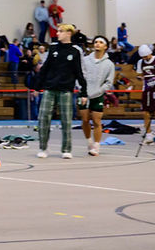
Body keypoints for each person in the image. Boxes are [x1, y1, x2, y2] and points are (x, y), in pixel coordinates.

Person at [31, 23, 88, 158]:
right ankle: (43, 148)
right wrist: (37, 87)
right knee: (43, 118)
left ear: (69, 33)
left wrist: (84, 92)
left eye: (60, 31)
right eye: (57, 31)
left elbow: (79, 72)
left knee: (66, 121)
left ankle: (66, 149)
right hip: (50, 88)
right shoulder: (53, 48)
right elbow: (45, 68)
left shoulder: (75, 51)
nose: (57, 33)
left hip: (66, 90)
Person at [81, 35, 114, 156]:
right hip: (84, 94)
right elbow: (79, 75)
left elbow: (109, 82)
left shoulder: (109, 64)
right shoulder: (85, 60)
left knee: (96, 121)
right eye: (96, 42)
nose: (97, 44)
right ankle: (89, 141)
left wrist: (99, 91)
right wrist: (82, 90)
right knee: (85, 120)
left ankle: (97, 145)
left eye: (100, 42)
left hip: (98, 95)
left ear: (105, 46)